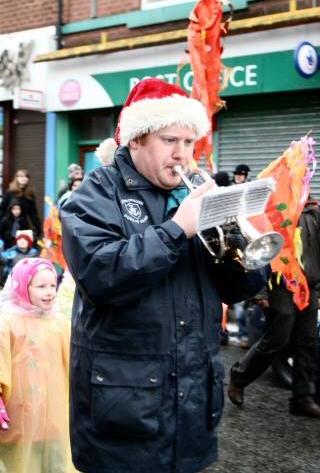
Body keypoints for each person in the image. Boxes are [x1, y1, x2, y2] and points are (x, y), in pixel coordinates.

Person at [61, 78, 270, 473]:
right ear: (137, 139)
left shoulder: (191, 193)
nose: (182, 155)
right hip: (125, 408)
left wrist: (235, 238)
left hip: (192, 404)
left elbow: (239, 289)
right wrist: (178, 229)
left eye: (189, 143)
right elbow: (102, 275)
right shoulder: (96, 192)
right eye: (170, 140)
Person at [228, 195, 320, 419]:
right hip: (279, 284)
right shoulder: (272, 210)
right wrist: (259, 293)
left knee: (307, 341)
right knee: (279, 337)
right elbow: (256, 251)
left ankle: (303, 398)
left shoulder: (313, 213)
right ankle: (239, 376)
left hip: (308, 285)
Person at [0, 258, 76, 472]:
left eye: (53, 285)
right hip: (20, 416)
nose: (50, 292)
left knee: (56, 462)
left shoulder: (59, 323)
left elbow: (74, 361)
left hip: (54, 415)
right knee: (22, 464)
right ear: (23, 287)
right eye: (41, 286)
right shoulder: (7, 323)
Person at [0, 169, 42, 243]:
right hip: (8, 225)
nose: (24, 178)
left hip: (23, 225)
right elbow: (2, 209)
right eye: (21, 176)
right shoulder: (10, 192)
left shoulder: (30, 194)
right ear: (17, 178)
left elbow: (33, 213)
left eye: (26, 177)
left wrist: (38, 227)